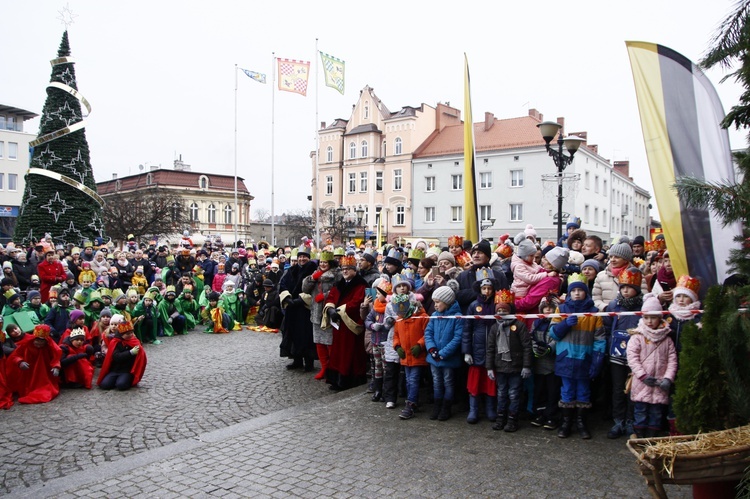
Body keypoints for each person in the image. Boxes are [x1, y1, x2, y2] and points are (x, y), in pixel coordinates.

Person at [550, 273, 606, 439]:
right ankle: (566, 422)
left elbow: (600, 340)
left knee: (583, 392)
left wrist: (597, 360)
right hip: (565, 358)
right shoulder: (561, 309)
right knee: (567, 391)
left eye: (579, 291)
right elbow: (553, 333)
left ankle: (581, 422)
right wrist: (564, 325)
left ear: (585, 293)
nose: (576, 293)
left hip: (585, 359)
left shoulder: (594, 313)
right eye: (573, 290)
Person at [627, 293, 677, 438]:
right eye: (646, 317)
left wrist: (668, 378)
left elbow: (672, 360)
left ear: (660, 318)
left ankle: (652, 435)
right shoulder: (637, 336)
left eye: (653, 317)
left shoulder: (667, 339)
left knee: (656, 411)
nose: (649, 321)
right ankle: (640, 434)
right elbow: (632, 358)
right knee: (641, 410)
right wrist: (642, 375)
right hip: (642, 381)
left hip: (660, 381)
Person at [603, 267, 643, 439]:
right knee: (618, 388)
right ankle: (618, 421)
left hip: (637, 356)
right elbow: (606, 327)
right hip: (616, 355)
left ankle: (631, 421)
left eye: (629, 287)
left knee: (633, 389)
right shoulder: (614, 306)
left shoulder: (644, 306)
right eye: (623, 287)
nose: (625, 290)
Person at [486, 290, 532, 432]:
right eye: (499, 310)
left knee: (514, 394)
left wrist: (526, 366)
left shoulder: (519, 326)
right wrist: (489, 367)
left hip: (516, 366)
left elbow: (527, 347)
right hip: (500, 367)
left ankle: (512, 419)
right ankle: (501, 418)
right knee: (501, 393)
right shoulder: (494, 328)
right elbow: (490, 348)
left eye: (504, 310)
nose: (501, 312)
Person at [322, 255, 368, 391]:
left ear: (354, 270)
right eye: (343, 269)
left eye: (348, 269)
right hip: (339, 323)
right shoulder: (340, 284)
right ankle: (336, 379)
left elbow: (357, 302)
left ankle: (349, 380)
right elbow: (330, 296)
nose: (345, 271)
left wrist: (340, 310)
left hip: (350, 324)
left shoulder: (361, 284)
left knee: (350, 352)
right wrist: (330, 309)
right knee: (337, 352)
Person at [424, 285, 464, 421]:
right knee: (436, 381)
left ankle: (446, 407)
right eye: (434, 302)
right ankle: (437, 406)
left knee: (448, 381)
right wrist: (432, 349)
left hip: (448, 357)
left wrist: (443, 353)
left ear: (447, 302)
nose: (435, 305)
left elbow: (457, 338)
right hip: (434, 356)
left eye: (437, 302)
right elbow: (428, 333)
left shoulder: (457, 317)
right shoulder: (434, 316)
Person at [463, 277, 498, 424]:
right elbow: (466, 330)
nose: (487, 291)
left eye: (489, 288)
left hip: (492, 350)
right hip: (476, 349)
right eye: (484, 288)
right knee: (475, 383)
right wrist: (467, 351)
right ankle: (473, 410)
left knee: (490, 382)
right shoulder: (473, 305)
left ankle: (490, 409)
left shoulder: (497, 305)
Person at [279, 245, 317, 371]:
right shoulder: (291, 270)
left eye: (304, 257)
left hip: (305, 308)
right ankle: (297, 359)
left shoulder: (313, 270)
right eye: (300, 257)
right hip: (292, 307)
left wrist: (300, 300)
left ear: (308, 258)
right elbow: (283, 284)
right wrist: (287, 298)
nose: (301, 259)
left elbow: (314, 289)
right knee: (292, 333)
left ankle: (309, 362)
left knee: (306, 335)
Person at [302, 250, 339, 380]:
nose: (323, 264)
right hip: (316, 311)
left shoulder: (336, 274)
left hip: (328, 311)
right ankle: (324, 367)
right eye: (321, 262)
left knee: (329, 342)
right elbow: (305, 289)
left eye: (325, 262)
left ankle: (331, 368)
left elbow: (339, 290)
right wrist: (312, 279)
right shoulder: (316, 273)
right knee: (319, 342)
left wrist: (325, 295)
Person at [392, 293, 429, 420]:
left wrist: (420, 345)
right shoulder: (399, 319)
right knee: (408, 380)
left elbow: (427, 333)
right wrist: (397, 346)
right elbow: (396, 335)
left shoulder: (422, 317)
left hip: (417, 355)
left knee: (413, 380)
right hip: (406, 356)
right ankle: (413, 401)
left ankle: (410, 404)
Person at [8, 324, 62, 404]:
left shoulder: (49, 346)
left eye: (42, 341)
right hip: (29, 373)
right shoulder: (26, 344)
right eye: (37, 340)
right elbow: (15, 355)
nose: (39, 343)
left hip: (45, 373)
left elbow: (56, 356)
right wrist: (20, 362)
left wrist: (56, 366)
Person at [529, 295, 561, 430]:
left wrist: (549, 348)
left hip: (553, 363)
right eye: (545, 308)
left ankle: (551, 416)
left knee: (552, 391)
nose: (548, 310)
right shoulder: (536, 323)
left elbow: (559, 338)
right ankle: (539, 414)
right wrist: (534, 347)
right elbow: (531, 337)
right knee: (539, 390)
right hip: (539, 363)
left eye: (551, 308)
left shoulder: (557, 323)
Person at [97, 320, 147, 391]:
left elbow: (141, 356)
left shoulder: (134, 341)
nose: (130, 335)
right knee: (105, 385)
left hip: (127, 370)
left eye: (131, 333)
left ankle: (125, 380)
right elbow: (116, 357)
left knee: (121, 385)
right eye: (127, 334)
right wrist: (130, 353)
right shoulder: (115, 342)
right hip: (115, 370)